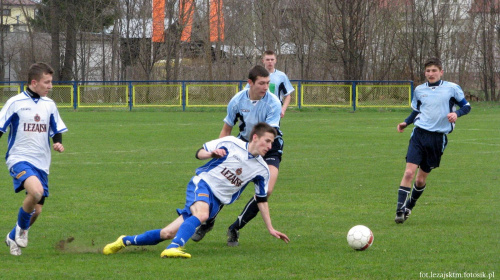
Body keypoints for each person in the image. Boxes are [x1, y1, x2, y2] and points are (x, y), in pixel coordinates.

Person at [103, 122, 289, 258]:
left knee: (167, 233)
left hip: (217, 201)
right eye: (267, 141)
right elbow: (199, 153)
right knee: (202, 214)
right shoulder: (231, 143)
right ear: (255, 137)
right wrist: (211, 154)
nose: (270, 146)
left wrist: (270, 228)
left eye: (272, 143)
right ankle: (174, 247)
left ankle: (124, 241)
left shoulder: (262, 170)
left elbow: (262, 200)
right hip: (203, 183)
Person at [191, 65, 284, 247]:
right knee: (228, 182)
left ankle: (235, 227)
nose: (266, 87)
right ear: (250, 83)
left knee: (267, 190)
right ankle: (208, 221)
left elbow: (267, 134)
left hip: (268, 147)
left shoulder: (273, 103)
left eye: (268, 83)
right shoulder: (237, 101)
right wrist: (218, 152)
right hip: (243, 146)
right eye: (262, 83)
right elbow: (227, 128)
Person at [0, 62, 68, 256]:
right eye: (46, 82)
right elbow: (0, 127)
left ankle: (12, 236)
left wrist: (58, 143)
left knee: (36, 211)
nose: (50, 86)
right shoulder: (15, 102)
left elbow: (56, 129)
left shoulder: (50, 104)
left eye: (51, 82)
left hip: (42, 164)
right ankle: (22, 231)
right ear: (34, 82)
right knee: (36, 192)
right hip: (18, 158)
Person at [394, 57, 471, 224]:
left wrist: (457, 114)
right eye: (428, 71)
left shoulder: (452, 88)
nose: (431, 74)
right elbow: (417, 111)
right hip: (419, 135)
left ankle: (409, 206)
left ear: (441, 72)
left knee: (420, 180)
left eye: (434, 70)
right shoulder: (420, 90)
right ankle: (399, 210)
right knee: (408, 173)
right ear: (425, 73)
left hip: (437, 139)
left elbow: (467, 106)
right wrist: (406, 122)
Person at [246, 50, 295, 118]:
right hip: (258, 110)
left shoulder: (281, 76)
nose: (270, 62)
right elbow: (246, 93)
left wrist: (283, 109)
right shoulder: (256, 75)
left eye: (272, 59)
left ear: (275, 61)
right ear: (263, 61)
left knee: (272, 128)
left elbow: (288, 95)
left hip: (274, 110)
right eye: (268, 59)